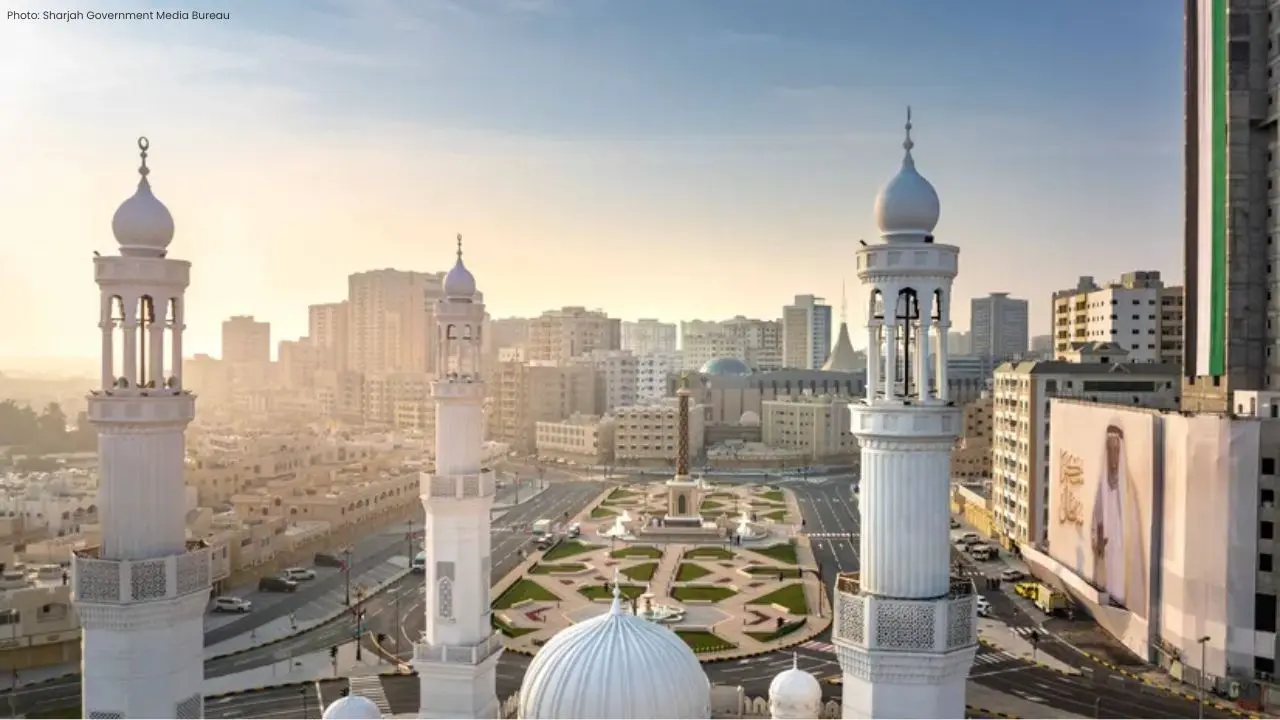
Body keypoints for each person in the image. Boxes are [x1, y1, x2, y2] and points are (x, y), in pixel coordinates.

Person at [1089, 424, 1147, 612]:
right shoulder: (1101, 488)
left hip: (1124, 559)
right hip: (1107, 558)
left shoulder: (1129, 489)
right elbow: (1094, 523)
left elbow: (1135, 532)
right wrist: (1097, 541)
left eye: (1116, 450)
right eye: (1110, 450)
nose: (1113, 456)